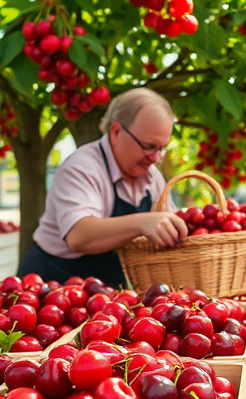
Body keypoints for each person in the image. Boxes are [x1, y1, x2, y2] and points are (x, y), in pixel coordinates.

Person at [18, 88, 187, 287]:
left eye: (162, 148)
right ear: (116, 132)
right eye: (149, 146)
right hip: (51, 285)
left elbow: (169, 224)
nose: (156, 158)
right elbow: (79, 235)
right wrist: (143, 223)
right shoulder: (81, 167)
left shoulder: (151, 177)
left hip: (105, 290)